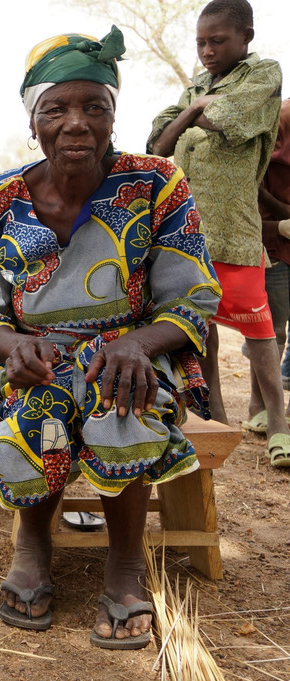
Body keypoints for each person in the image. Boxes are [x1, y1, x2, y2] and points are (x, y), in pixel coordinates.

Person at [0, 27, 221, 649]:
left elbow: (193, 296)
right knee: (39, 405)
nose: (76, 123)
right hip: (39, 357)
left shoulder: (158, 183)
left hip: (132, 350)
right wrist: (12, 348)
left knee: (119, 396)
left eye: (94, 107)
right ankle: (32, 545)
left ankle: (126, 564)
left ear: (113, 116)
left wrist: (138, 344)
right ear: (34, 122)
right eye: (57, 109)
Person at [147, 0, 285, 462]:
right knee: (198, 325)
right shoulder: (198, 85)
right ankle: (217, 416)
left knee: (259, 328)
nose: (206, 51)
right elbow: (160, 142)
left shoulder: (263, 74)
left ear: (245, 36)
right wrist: (197, 106)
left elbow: (231, 120)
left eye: (217, 41)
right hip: (186, 227)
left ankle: (280, 425)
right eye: (201, 42)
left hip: (235, 225)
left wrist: (196, 111)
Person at [243, 99, 290, 468]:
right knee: (268, 332)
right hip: (273, 248)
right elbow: (250, 201)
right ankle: (260, 408)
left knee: (276, 333)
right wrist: (279, 225)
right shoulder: (277, 123)